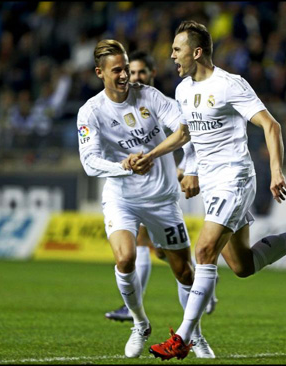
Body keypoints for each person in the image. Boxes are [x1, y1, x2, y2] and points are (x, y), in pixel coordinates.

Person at [129, 20, 286, 360]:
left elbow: (271, 125)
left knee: (204, 252)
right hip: (213, 183)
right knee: (243, 266)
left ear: (197, 52)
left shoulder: (230, 85)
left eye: (177, 49)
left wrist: (276, 171)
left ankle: (184, 339)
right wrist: (152, 155)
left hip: (235, 178)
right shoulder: (184, 90)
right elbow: (185, 134)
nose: (171, 55)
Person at [77, 39, 214, 358]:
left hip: (162, 199)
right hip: (121, 198)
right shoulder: (91, 112)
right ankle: (139, 324)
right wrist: (122, 166)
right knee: (124, 259)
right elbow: (89, 161)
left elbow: (187, 128)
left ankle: (193, 334)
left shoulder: (150, 97)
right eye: (117, 70)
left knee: (184, 271)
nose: (125, 75)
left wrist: (190, 167)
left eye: (126, 68)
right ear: (100, 73)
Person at [104, 50, 219, 322]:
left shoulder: (165, 103)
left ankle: (198, 290)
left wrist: (187, 170)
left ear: (152, 74)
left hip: (165, 187)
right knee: (155, 249)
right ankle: (198, 285)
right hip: (137, 188)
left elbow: (191, 138)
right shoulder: (123, 106)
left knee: (161, 251)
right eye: (131, 73)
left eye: (141, 72)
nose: (135, 77)